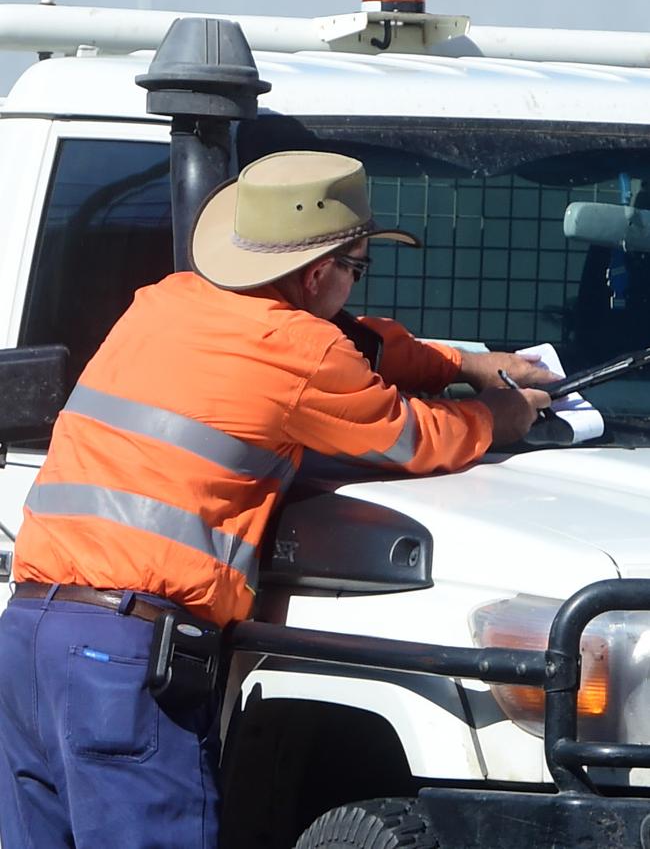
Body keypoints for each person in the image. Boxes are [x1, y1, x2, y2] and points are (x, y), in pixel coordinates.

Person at [0, 150, 552, 849]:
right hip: (126, 658)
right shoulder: (304, 353)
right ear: (319, 273)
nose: (356, 284)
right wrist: (501, 413)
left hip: (29, 641)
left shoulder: (164, 302)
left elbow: (363, 346)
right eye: (358, 267)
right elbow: (417, 436)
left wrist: (469, 363)